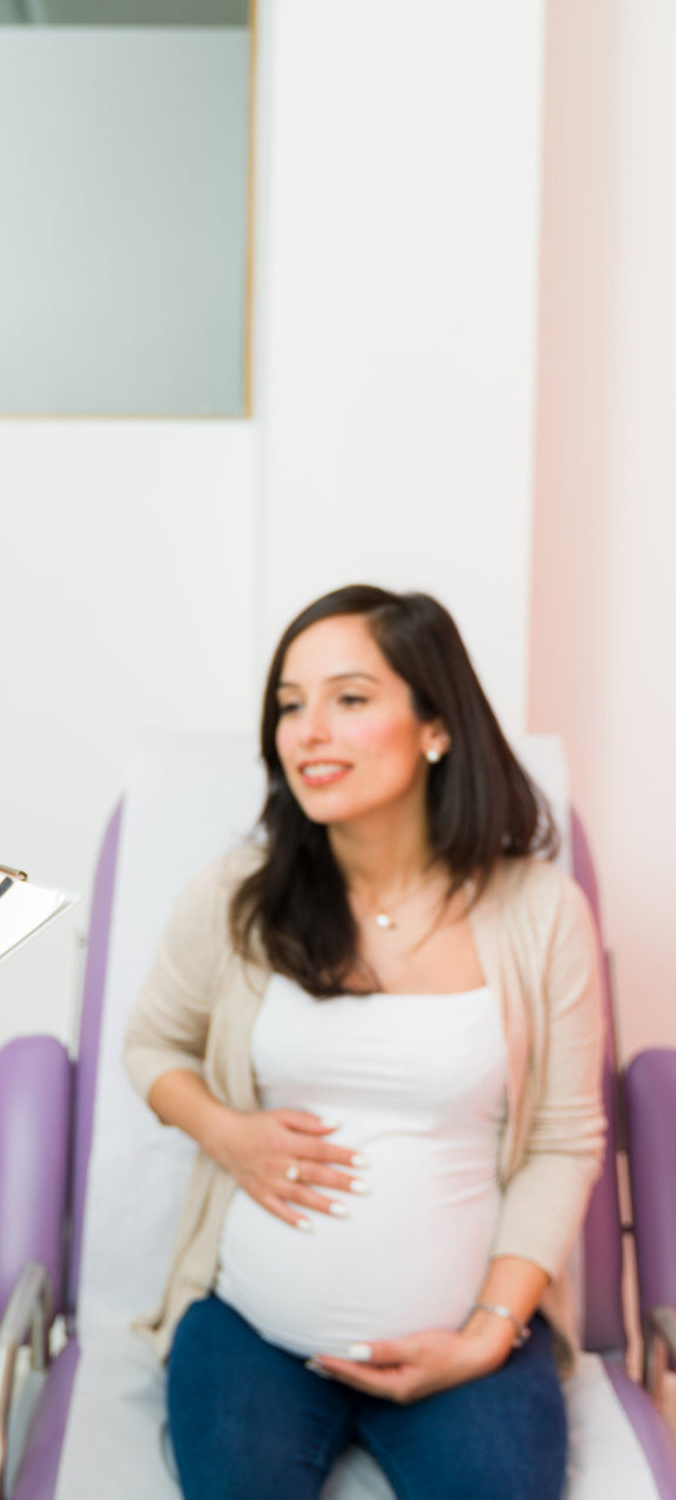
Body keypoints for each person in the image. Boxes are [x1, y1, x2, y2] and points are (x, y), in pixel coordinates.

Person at [123, 585, 606, 1500]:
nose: (308, 731)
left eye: (349, 699)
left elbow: (563, 1142)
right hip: (251, 1335)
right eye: (290, 706)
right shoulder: (236, 897)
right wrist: (228, 1133)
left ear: (436, 724)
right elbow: (151, 1048)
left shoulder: (541, 913)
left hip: (469, 1341)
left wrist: (489, 1332)